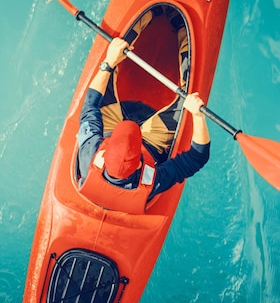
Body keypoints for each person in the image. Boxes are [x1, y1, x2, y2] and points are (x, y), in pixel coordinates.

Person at [76, 37, 210, 213]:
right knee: (184, 102)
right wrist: (197, 115)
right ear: (139, 166)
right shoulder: (152, 182)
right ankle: (181, 33)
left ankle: (119, 47)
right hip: (151, 144)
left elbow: (90, 106)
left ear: (105, 153)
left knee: (101, 96)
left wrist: (108, 63)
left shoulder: (89, 154)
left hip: (110, 128)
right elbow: (196, 158)